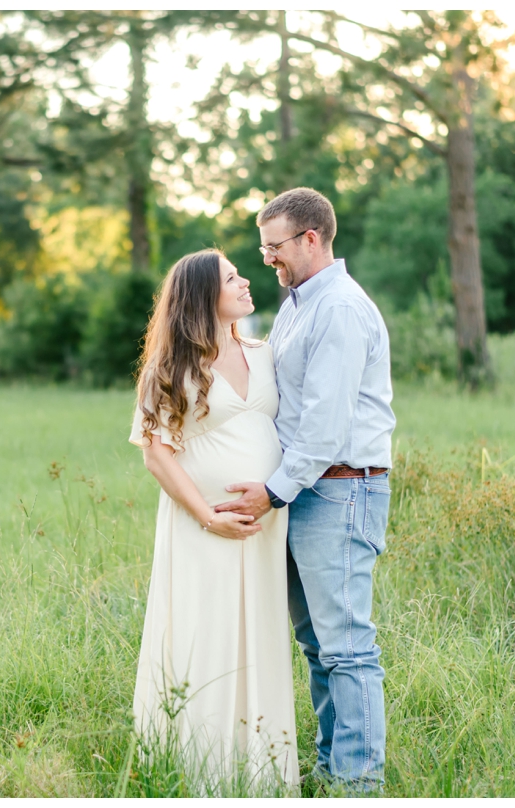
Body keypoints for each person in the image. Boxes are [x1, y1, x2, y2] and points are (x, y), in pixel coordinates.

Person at [216, 187, 395, 791]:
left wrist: (271, 493)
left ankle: (358, 785)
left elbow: (323, 428)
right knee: (318, 646)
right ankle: (330, 768)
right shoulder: (297, 304)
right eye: (263, 249)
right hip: (304, 493)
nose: (267, 260)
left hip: (338, 491)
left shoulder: (339, 308)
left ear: (310, 239)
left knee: (347, 648)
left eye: (274, 248)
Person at [129, 248, 300, 790]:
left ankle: (262, 774)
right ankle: (201, 771)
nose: (247, 280)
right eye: (232, 277)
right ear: (206, 295)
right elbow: (157, 453)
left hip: (265, 525)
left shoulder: (263, 352)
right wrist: (207, 516)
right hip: (203, 526)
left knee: (260, 631)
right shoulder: (171, 366)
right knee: (208, 632)